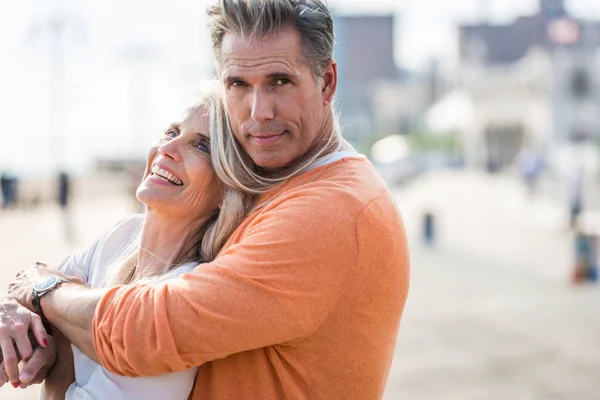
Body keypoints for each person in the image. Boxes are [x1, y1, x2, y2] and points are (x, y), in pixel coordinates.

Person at [2, 1, 410, 399]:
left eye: (280, 81)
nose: (259, 110)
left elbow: (146, 335)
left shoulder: (330, 211)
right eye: (238, 84)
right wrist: (21, 304)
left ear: (327, 83)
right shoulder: (284, 187)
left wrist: (42, 290)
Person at [2, 89, 250, 399]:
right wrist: (12, 313)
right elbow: (34, 293)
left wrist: (61, 339)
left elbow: (45, 291)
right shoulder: (124, 232)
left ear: (228, 188)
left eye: (201, 145)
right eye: (171, 131)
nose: (168, 148)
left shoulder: (181, 296)